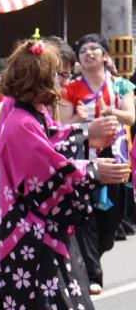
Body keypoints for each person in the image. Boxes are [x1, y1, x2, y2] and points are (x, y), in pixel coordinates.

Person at [0, 35, 128, 310]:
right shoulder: (19, 121)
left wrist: (84, 134)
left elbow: (53, 141)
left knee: (68, 305)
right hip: (26, 232)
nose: (63, 83)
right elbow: (47, 167)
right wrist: (93, 167)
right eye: (57, 76)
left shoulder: (28, 113)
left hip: (45, 228)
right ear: (38, 80)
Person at [61, 34, 135, 295]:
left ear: (105, 56)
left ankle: (88, 259)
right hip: (84, 160)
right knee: (87, 216)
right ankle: (93, 275)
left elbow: (131, 116)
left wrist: (110, 112)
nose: (87, 53)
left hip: (116, 160)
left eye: (94, 49)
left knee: (112, 220)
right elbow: (62, 123)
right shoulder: (70, 87)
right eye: (83, 50)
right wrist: (78, 119)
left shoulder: (121, 86)